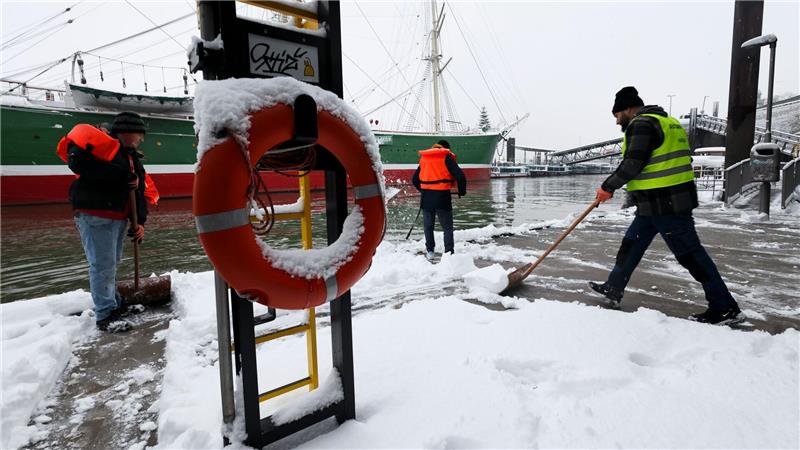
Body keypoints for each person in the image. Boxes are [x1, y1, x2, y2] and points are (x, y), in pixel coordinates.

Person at [590, 86, 743, 325]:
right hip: (655, 204)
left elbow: (632, 164)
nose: (617, 120)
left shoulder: (641, 124)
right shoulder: (668, 122)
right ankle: (613, 287)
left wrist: (607, 187)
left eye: (618, 114)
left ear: (629, 109)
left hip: (667, 204)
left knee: (691, 255)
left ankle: (725, 308)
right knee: (631, 245)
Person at [61, 111, 150, 332]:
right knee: (102, 266)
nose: (141, 140)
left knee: (110, 263)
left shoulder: (130, 156)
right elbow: (78, 162)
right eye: (139, 134)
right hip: (97, 215)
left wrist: (140, 222)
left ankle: (114, 304)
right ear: (127, 132)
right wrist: (120, 176)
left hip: (117, 217)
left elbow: (138, 190)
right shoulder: (99, 148)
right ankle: (105, 315)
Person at [412, 140, 467, 260]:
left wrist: (424, 191)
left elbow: (414, 180)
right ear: (446, 148)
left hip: (426, 198)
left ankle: (430, 251)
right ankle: (448, 254)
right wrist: (461, 191)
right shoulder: (446, 156)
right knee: (447, 227)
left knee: (428, 226)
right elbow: (460, 176)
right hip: (442, 197)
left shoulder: (425, 158)